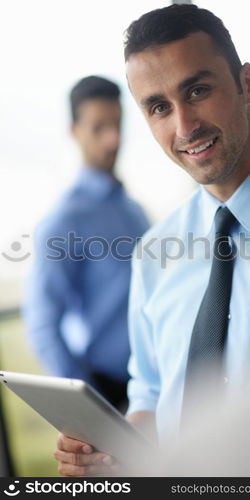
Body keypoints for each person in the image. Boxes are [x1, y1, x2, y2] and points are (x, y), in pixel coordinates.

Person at [54, 4, 250, 476]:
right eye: (158, 107)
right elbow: (152, 397)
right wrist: (112, 454)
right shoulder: (154, 251)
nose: (184, 126)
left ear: (247, 83)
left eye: (197, 90)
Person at [23, 75, 149, 412]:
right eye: (98, 128)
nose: (113, 139)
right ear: (74, 131)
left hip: (155, 388)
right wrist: (91, 410)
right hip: (111, 393)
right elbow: (43, 325)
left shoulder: (132, 208)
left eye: (118, 124)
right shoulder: (64, 222)